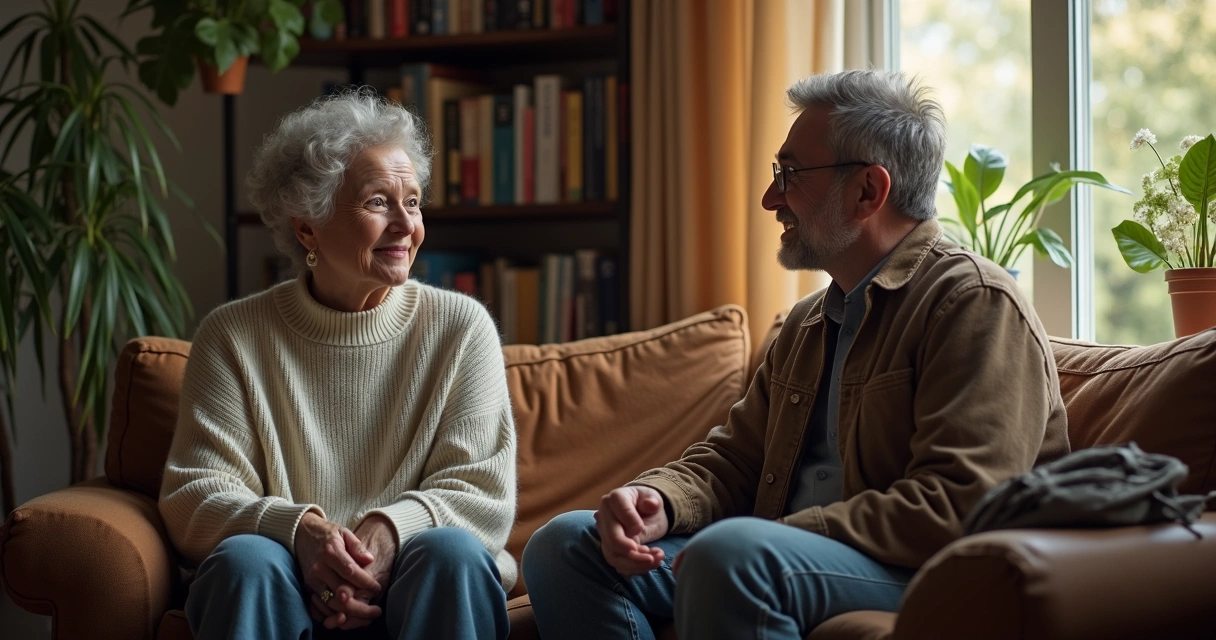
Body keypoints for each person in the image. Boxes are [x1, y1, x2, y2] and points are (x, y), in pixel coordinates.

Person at [522, 69, 1070, 639]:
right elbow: (735, 461)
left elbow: (961, 503)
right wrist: (658, 498)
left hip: (924, 571)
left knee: (734, 556)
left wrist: (778, 535)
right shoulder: (810, 322)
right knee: (565, 544)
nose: (769, 198)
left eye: (790, 174)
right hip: (772, 557)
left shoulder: (973, 303)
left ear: (868, 191)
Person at [159, 91, 517, 640]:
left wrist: (390, 530)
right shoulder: (233, 337)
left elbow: (482, 493)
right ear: (307, 229)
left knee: (452, 550)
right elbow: (195, 497)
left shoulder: (460, 328)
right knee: (246, 561)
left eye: (414, 202)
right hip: (284, 587)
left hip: (420, 582)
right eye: (379, 202)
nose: (406, 225)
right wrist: (299, 532)